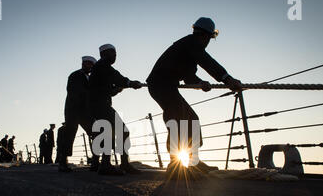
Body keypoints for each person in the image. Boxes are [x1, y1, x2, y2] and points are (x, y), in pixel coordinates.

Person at [146, 17, 243, 179]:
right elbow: (207, 62)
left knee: (191, 119)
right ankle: (174, 166)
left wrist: (199, 83)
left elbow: (188, 76)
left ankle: (194, 161)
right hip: (161, 85)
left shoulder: (188, 46)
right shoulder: (192, 44)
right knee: (177, 119)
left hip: (164, 86)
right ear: (206, 36)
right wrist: (227, 79)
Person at [89, 44, 143, 175]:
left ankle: (110, 164)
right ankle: (113, 164)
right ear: (103, 55)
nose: (114, 56)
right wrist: (129, 83)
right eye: (111, 53)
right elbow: (116, 77)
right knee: (122, 131)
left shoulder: (101, 68)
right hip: (99, 105)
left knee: (111, 131)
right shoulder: (102, 66)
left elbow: (106, 89)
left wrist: (116, 90)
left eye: (115, 54)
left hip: (99, 105)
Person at [58, 56, 100, 172]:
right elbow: (77, 92)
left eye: (91, 65)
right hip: (74, 110)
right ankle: (63, 162)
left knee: (96, 132)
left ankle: (96, 161)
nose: (89, 67)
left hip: (85, 111)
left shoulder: (89, 78)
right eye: (88, 64)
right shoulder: (75, 75)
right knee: (69, 135)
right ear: (84, 64)